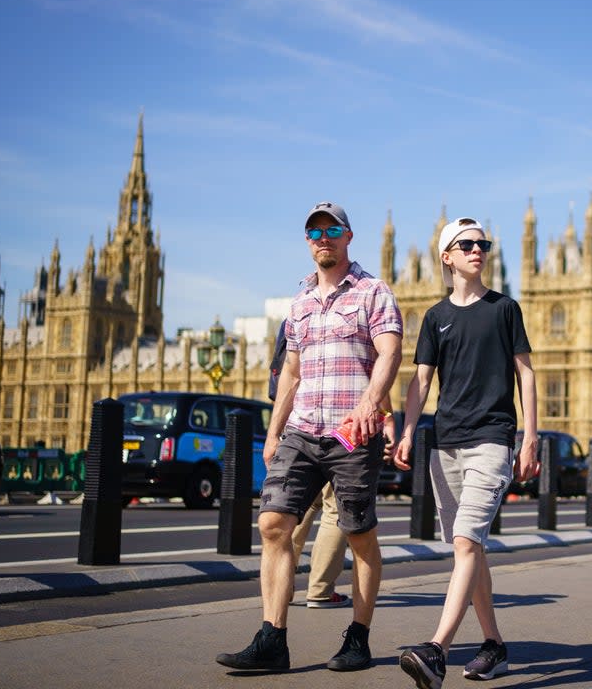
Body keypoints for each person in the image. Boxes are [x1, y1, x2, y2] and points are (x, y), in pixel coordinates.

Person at [217, 201, 402, 672]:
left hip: (351, 433)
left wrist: (371, 402)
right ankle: (272, 638)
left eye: (332, 229)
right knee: (273, 524)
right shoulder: (297, 304)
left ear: (348, 236)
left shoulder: (372, 292)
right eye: (315, 231)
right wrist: (274, 431)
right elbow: (291, 374)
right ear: (307, 241)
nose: (324, 237)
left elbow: (390, 353)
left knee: (358, 533)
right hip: (303, 428)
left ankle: (357, 637)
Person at [394, 216, 539, 689]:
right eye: (467, 244)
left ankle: (436, 650)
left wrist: (530, 436)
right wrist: (408, 430)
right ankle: (494, 645)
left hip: (493, 440)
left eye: (483, 244)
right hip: (447, 446)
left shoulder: (505, 309)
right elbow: (420, 380)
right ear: (447, 256)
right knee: (470, 548)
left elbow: (527, 374)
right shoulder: (436, 317)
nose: (478, 250)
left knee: (464, 542)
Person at [268, 315, 352, 610]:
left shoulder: (296, 313)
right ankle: (320, 590)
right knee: (334, 508)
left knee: (296, 506)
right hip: (333, 424)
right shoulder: (343, 314)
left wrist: (275, 432)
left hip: (295, 425)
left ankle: (283, 586)